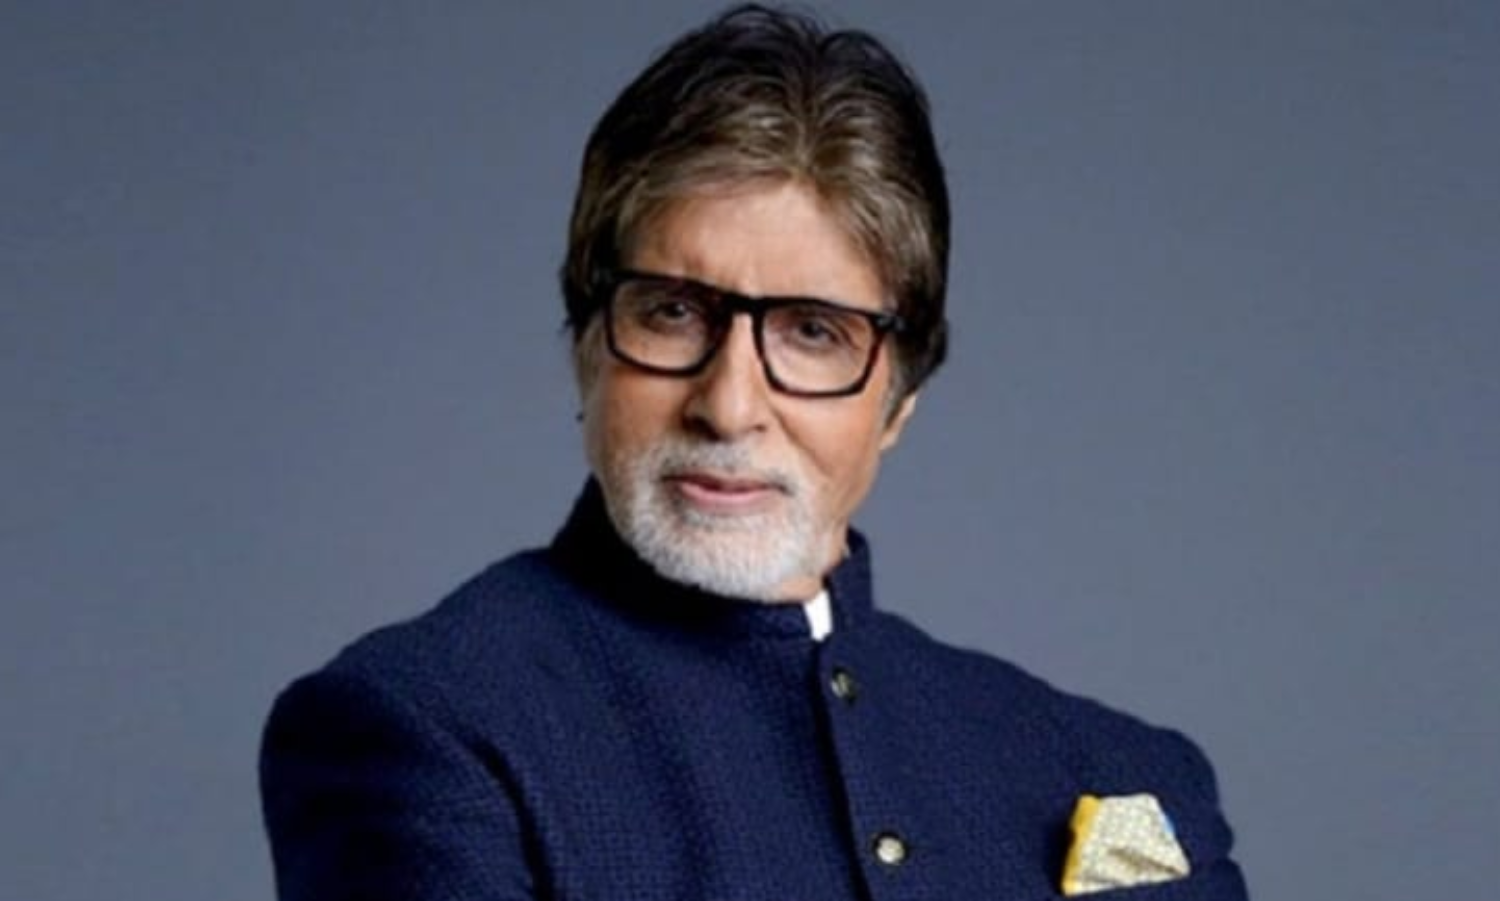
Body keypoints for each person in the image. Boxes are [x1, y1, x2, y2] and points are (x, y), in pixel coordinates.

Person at [259, 5, 1249, 899]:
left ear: (899, 400)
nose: (730, 406)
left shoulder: (1120, 767)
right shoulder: (420, 725)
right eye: (672, 312)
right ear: (585, 348)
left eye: (813, 332)